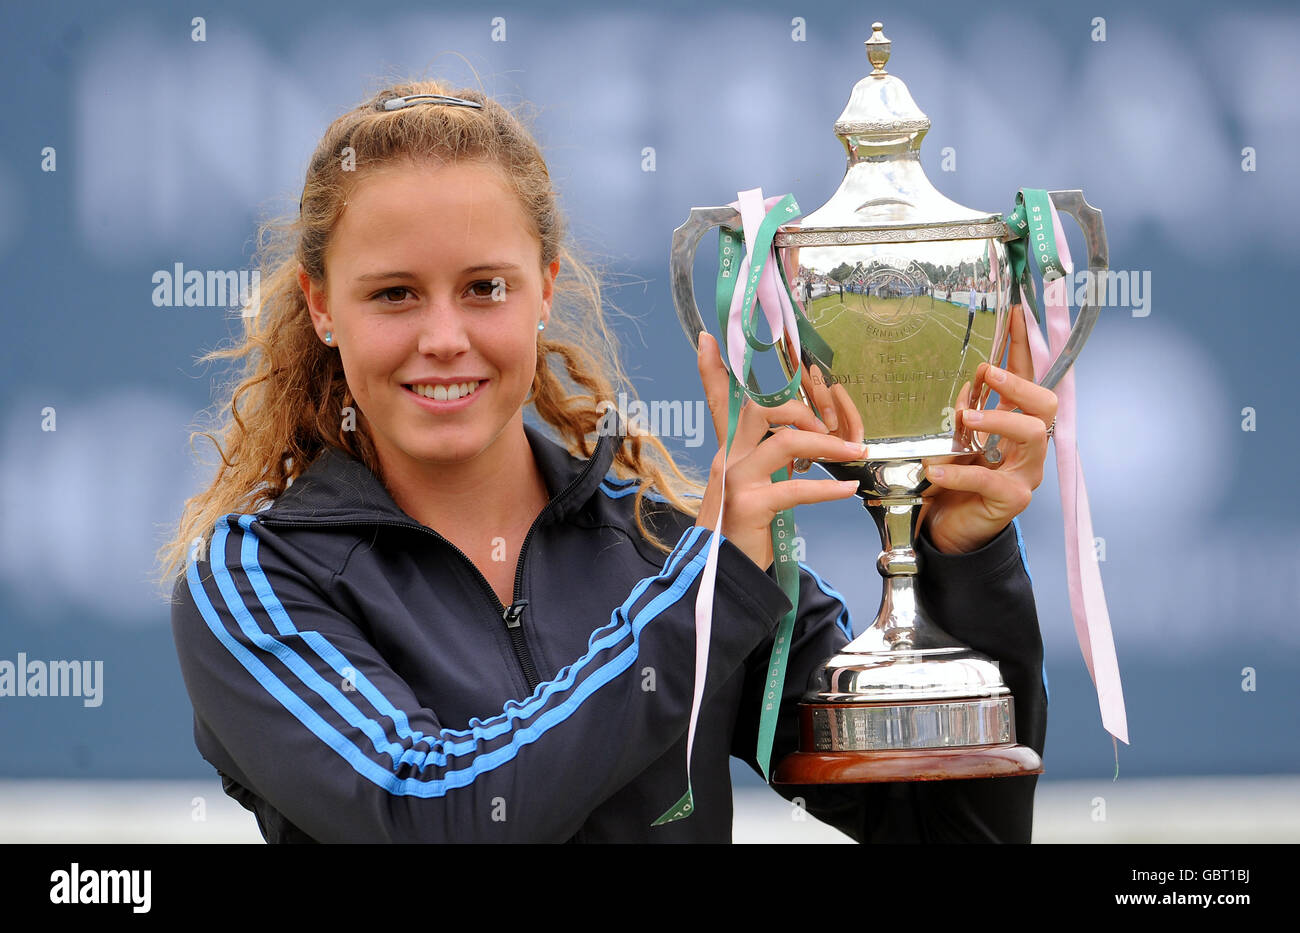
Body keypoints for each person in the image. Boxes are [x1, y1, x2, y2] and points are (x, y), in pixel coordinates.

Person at [157, 80, 1058, 844]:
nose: (443, 337)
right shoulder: (254, 578)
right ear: (320, 306)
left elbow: (962, 829)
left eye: (485, 288)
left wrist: (962, 563)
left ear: (545, 287)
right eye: (394, 294)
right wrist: (706, 596)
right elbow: (426, 810)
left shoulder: (667, 552)